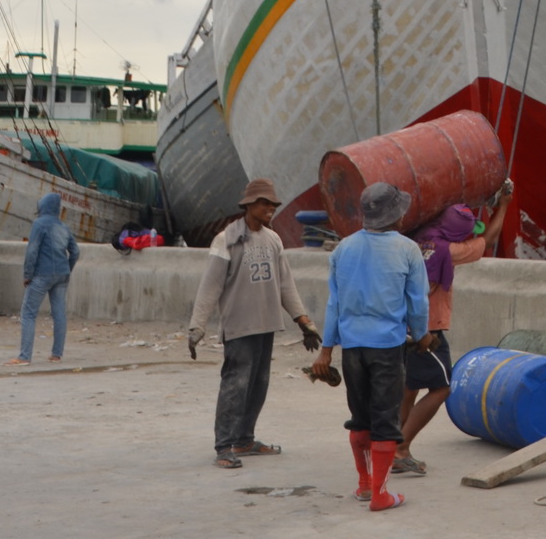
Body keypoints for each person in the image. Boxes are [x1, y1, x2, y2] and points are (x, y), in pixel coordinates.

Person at [310, 182, 431, 513]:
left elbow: (334, 304)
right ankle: (380, 495)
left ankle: (364, 485)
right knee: (385, 419)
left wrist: (326, 349)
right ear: (396, 215)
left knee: (359, 417)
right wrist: (422, 334)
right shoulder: (408, 250)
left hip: (352, 348)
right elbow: (418, 303)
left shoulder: (343, 249)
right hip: (387, 347)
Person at [187, 178, 321, 469]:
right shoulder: (227, 239)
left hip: (266, 324)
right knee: (235, 385)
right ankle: (224, 446)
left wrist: (304, 322)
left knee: (258, 385)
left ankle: (244, 440)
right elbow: (210, 286)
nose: (270, 208)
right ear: (248, 206)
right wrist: (197, 327)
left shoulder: (273, 240)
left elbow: (285, 285)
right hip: (239, 326)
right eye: (264, 203)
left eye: (273, 204)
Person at [393, 182, 513, 477]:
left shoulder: (414, 239)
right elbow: (489, 238)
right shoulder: (450, 250)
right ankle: (401, 448)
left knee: (409, 388)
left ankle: (389, 445)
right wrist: (503, 206)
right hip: (427, 330)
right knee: (441, 387)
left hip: (398, 325)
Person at [6, 193, 80, 365]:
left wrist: (27, 274)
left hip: (42, 274)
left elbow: (32, 250)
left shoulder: (39, 224)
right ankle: (56, 354)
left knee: (28, 313)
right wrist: (67, 269)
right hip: (62, 275)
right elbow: (75, 252)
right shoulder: (63, 226)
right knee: (59, 314)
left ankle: (24, 356)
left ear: (42, 206)